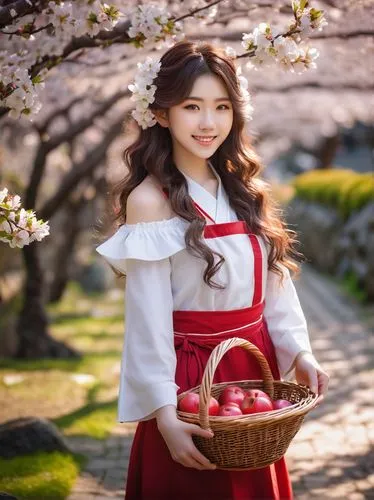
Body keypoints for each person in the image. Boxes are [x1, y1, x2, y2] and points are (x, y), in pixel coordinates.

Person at [96, 40, 329, 500]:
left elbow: (274, 285)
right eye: (192, 106)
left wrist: (300, 352)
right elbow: (147, 319)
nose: (208, 123)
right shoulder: (151, 201)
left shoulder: (242, 190)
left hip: (250, 371)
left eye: (221, 107)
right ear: (161, 114)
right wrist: (165, 413)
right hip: (188, 382)